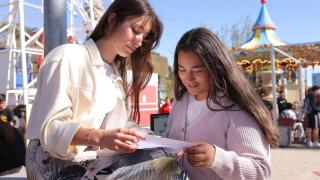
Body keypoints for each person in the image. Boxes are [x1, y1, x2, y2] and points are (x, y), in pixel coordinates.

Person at [25, 0, 163, 179]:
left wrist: (152, 139)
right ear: (112, 19)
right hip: (49, 159)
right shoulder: (67, 57)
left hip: (89, 157)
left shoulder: (115, 75)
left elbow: (115, 128)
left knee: (163, 158)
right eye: (136, 30)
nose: (139, 41)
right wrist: (99, 137)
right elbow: (50, 130)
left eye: (143, 36)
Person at [164, 27, 279, 180]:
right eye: (182, 70)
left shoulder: (236, 109)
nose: (188, 78)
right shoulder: (181, 100)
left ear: (215, 67)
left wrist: (216, 158)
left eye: (197, 70)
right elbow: (171, 138)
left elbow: (260, 171)